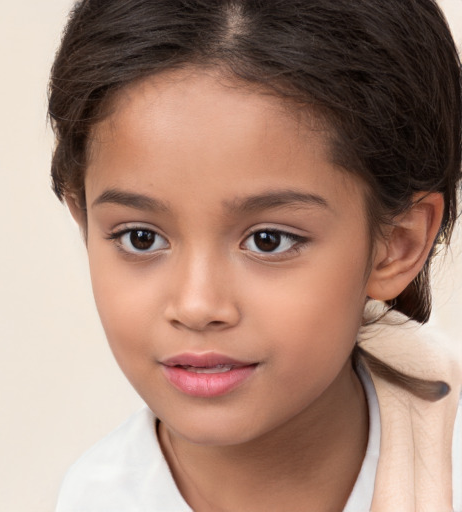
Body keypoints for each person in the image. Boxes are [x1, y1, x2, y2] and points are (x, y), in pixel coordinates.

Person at [48, 0, 462, 510]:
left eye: (269, 240)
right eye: (141, 238)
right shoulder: (93, 498)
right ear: (84, 220)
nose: (197, 305)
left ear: (397, 245)